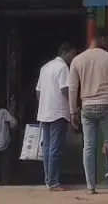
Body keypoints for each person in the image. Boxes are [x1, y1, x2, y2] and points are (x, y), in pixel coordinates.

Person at [69, 34, 108, 193]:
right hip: (106, 104)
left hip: (87, 106)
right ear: (104, 43)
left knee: (89, 146)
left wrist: (72, 111)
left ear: (91, 43)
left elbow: (73, 88)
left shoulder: (77, 60)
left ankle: (90, 186)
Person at [36, 42, 77, 191]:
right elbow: (66, 90)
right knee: (55, 148)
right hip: (58, 113)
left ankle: (49, 180)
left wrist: (45, 104)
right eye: (72, 54)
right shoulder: (63, 67)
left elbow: (38, 92)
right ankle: (53, 182)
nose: (73, 58)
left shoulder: (45, 67)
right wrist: (74, 107)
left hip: (44, 113)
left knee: (47, 148)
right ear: (65, 52)